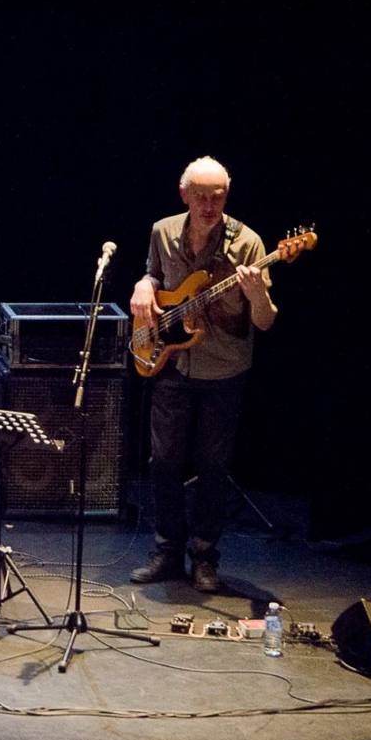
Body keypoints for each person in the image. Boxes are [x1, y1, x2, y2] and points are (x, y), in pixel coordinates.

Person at [128, 156, 277, 593]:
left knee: (213, 468)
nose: (210, 206)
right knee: (164, 463)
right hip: (172, 362)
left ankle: (205, 557)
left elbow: (265, 321)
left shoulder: (248, 243)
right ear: (184, 195)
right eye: (201, 197)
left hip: (224, 369)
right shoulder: (162, 231)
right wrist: (144, 284)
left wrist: (256, 295)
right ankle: (167, 552)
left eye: (218, 197)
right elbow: (155, 275)